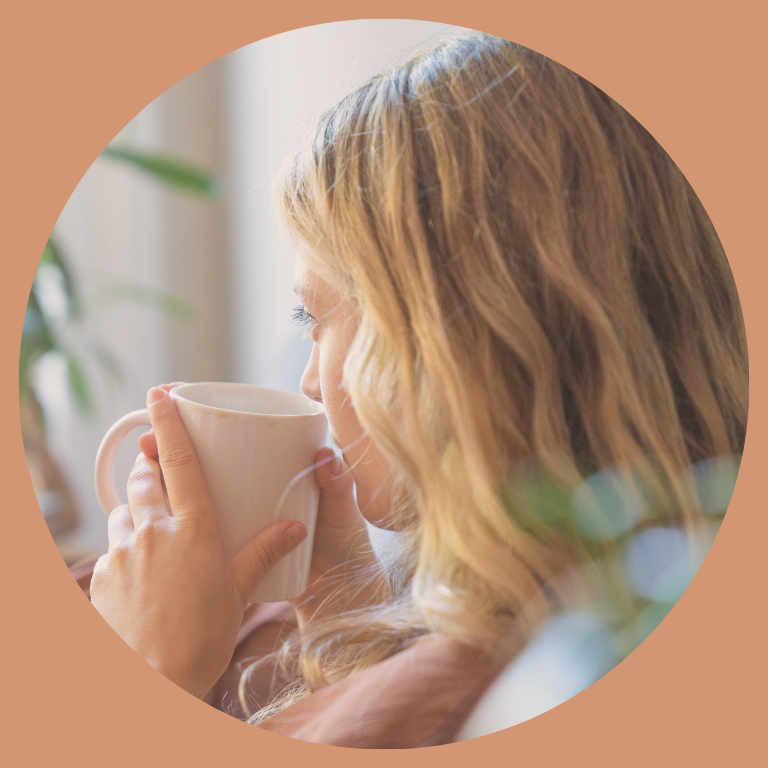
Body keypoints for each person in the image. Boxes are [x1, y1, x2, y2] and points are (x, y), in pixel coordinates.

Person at [76, 30, 748, 747]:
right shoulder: (602, 608)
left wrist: (149, 671)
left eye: (314, 314)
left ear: (453, 345)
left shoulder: (464, 689)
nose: (305, 378)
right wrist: (347, 619)